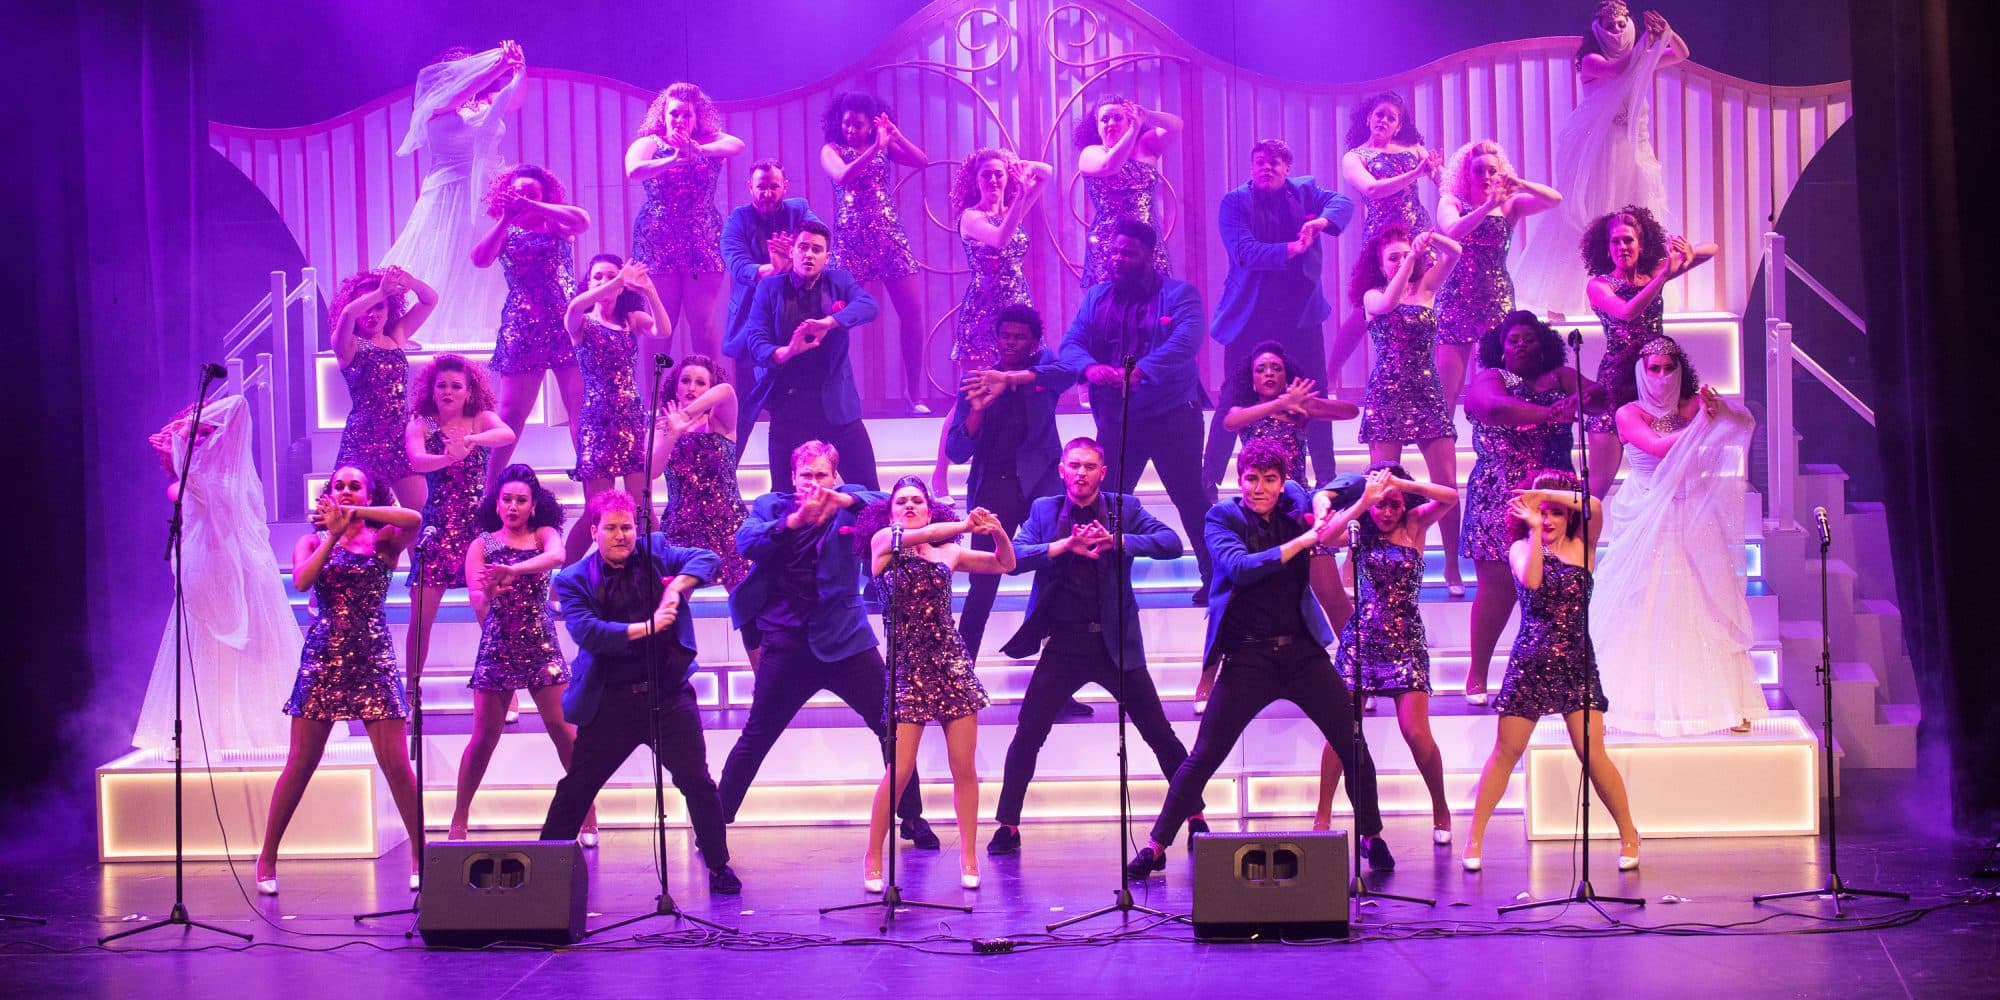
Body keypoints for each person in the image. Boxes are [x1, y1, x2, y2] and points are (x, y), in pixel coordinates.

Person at [1125, 440, 1394, 880]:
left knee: (1352, 742)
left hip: (1302, 653)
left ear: (1282, 482)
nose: (1259, 488)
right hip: (1249, 656)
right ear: (1240, 479)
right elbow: (1240, 567)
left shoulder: (1294, 503)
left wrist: (1325, 498)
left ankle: (1372, 834)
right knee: (1205, 754)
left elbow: (1353, 482)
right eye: (1251, 479)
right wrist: (1305, 540)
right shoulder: (1222, 517)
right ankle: (1156, 846)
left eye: (1269, 480)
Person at [987, 437, 1202, 855]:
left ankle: (1195, 816)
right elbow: (1013, 558)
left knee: (1160, 734)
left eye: (1089, 466)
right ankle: (1008, 826)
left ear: (1102, 473)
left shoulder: (1124, 508)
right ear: (1062, 470)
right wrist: (1063, 546)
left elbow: (1171, 543)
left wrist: (1118, 540)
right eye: (1074, 465)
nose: (1081, 473)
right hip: (1063, 644)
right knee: (1028, 734)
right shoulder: (1044, 510)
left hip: (1114, 644)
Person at [716, 442, 935, 846]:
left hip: (846, 640)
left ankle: (911, 816)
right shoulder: (771, 505)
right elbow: (746, 541)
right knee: (757, 735)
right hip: (788, 643)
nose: (814, 484)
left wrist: (846, 498)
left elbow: (886, 502)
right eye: (806, 476)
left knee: (891, 727)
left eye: (822, 475)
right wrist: (794, 522)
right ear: (793, 477)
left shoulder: (851, 506)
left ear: (835, 476)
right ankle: (714, 826)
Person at [537, 492, 740, 893]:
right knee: (577, 787)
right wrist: (647, 627)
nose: (620, 535)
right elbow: (588, 633)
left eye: (627, 527)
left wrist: (676, 588)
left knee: (697, 781)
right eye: (611, 528)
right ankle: (542, 871)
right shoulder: (573, 579)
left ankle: (719, 865)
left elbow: (708, 558)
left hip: (668, 695)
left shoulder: (657, 551)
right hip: (611, 700)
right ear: (594, 532)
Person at [254, 467, 424, 895]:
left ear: (368, 494)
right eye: (340, 486)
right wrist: (332, 536)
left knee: (397, 765)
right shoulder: (311, 541)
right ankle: (267, 857)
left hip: (373, 658)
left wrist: (357, 514)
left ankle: (421, 855)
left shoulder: (384, 539)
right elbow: (302, 581)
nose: (346, 491)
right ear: (328, 494)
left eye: (355, 486)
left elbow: (415, 519)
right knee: (300, 763)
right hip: (324, 659)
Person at [1463, 469, 1641, 872]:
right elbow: (1532, 581)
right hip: (1530, 661)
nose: (1547, 520)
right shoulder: (1520, 548)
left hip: (1576, 662)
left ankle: (1630, 834)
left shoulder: (1583, 545)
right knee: (1505, 752)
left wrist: (1542, 492)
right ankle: (1473, 838)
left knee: (1592, 754)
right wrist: (1531, 528)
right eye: (1541, 512)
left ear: (1568, 516)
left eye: (1555, 512)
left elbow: (1594, 505)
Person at [1592, 336, 1766, 736]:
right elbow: (1656, 448)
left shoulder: (1690, 406)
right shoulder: (1628, 413)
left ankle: (1726, 703)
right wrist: (1704, 421)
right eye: (1654, 368)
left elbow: (1743, 423)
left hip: (1693, 509)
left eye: (1669, 367)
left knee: (1707, 598)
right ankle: (1629, 705)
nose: (1662, 375)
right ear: (1641, 371)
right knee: (1639, 599)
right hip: (1647, 508)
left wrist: (1719, 408)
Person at [858, 477, 1013, 891]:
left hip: (950, 665)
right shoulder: (882, 544)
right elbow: (919, 536)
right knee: (899, 771)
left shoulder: (948, 552)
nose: (909, 506)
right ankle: (873, 854)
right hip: (907, 669)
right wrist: (965, 525)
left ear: (929, 509)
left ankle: (968, 855)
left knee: (963, 766)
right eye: (901, 502)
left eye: (917, 501)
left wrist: (997, 531)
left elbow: (1005, 564)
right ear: (890, 512)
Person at [1058, 218, 1214, 603]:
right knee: (1108, 501)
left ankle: (1215, 579)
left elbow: (1186, 341)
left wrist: (1140, 371)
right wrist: (1091, 369)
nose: (1117, 259)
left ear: (1149, 255)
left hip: (1173, 414)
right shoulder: (1096, 297)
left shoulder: (1179, 295)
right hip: (1118, 419)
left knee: (1189, 498)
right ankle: (1104, 583)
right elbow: (1071, 343)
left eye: (1127, 252)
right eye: (1114, 251)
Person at [132, 396, 298, 756]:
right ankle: (216, 734)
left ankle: (250, 730)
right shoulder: (186, 484)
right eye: (198, 436)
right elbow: (192, 489)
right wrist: (181, 443)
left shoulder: (233, 478)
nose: (204, 441)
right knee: (211, 658)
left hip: (245, 577)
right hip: (208, 577)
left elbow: (238, 406)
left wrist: (186, 428)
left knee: (249, 656)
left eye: (208, 433)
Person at [1310, 464, 1460, 843]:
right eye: (1382, 505)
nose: (1388, 512)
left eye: (1394, 504)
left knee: (1416, 733)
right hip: (1361, 642)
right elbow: (1324, 536)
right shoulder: (1359, 528)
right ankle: (1322, 815)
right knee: (1341, 733)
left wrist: (1399, 483)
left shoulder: (1416, 523)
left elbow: (1451, 496)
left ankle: (1440, 808)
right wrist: (1366, 500)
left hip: (1406, 642)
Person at [1511, 1, 1690, 315]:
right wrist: (1647, 42)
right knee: (1587, 217)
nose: (1617, 31)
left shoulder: (1641, 59)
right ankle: (1564, 300)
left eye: (1622, 24)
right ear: (1597, 29)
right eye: (1610, 26)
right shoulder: (1591, 61)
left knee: (1634, 217)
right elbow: (1618, 70)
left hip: (1632, 150)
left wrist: (1666, 33)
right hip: (1599, 152)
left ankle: (1634, 292)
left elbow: (1681, 54)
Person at [448, 465, 594, 842]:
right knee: (483, 739)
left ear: (533, 506)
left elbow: (557, 557)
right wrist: (489, 591)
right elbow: (477, 598)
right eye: (507, 499)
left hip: (539, 642)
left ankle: (587, 811)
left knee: (564, 731)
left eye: (521, 500)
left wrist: (514, 570)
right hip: (498, 644)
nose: (513, 506)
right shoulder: (481, 545)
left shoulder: (543, 534)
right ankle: (459, 818)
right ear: (496, 505)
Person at [1200, 139, 1356, 491]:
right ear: (1251, 166)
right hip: (1251, 315)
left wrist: (1321, 222)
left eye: (1274, 163)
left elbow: (1342, 202)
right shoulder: (1235, 202)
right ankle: (1208, 480)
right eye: (1259, 162)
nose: (1266, 168)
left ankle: (1326, 478)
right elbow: (1245, 252)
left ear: (1287, 168)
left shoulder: (1305, 191)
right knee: (1232, 397)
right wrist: (1293, 248)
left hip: (1300, 316)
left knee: (1315, 393)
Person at [1460, 312, 1594, 706]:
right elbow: (1493, 408)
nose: (1520, 345)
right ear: (1501, 347)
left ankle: (1556, 676)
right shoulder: (1491, 378)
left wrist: (1585, 397)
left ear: (1543, 344)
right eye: (1513, 340)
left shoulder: (1560, 376)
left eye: (1529, 339)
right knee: (1498, 588)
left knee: (1557, 586)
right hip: (1501, 494)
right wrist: (1551, 413)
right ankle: (1477, 672)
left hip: (1555, 495)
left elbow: (1598, 396)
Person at [944, 303, 1072, 662]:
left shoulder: (1042, 376)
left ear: (1034, 343)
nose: (1010, 342)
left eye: (1019, 337)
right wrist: (977, 410)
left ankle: (1056, 670)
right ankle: (962, 671)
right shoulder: (976, 382)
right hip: (993, 490)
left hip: (1041, 489)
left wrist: (1013, 379)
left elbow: (1070, 372)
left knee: (1057, 577)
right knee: (981, 587)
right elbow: (956, 451)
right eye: (1004, 336)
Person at [378, 42, 523, 347]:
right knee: (444, 258)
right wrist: (497, 66)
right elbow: (460, 91)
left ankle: (493, 333)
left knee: (487, 264)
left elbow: (515, 98)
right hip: (448, 195)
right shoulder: (435, 105)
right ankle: (416, 331)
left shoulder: (485, 103)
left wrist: (519, 68)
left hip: (487, 194)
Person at [931, 148, 1054, 499]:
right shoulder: (971, 217)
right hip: (983, 314)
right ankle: (940, 473)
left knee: (1024, 390)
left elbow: (1046, 172)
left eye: (999, 173)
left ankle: (1021, 470)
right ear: (975, 180)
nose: (994, 180)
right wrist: (1019, 195)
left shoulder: (1014, 207)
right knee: (969, 396)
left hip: (1017, 308)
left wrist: (1018, 167)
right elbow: (1000, 240)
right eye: (986, 174)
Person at [1353, 225, 1466, 594]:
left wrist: (1431, 238)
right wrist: (1412, 257)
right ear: (1379, 264)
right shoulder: (1373, 295)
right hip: (1387, 395)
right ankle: (1382, 565)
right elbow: (1388, 304)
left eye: (1405, 255)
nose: (1402, 261)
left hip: (1426, 392)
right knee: (1382, 484)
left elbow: (1455, 253)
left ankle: (1452, 566)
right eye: (1393, 257)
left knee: (1446, 483)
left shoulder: (1426, 289)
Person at [1578, 205, 1715, 495]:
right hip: (1617, 381)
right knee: (1599, 481)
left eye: (1628, 240)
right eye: (1615, 241)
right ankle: (1582, 525)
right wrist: (1662, 276)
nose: (1622, 247)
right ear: (1607, 249)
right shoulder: (1599, 285)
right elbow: (1627, 312)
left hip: (1656, 378)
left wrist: (1685, 252)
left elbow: (1711, 249)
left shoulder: (1653, 274)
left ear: (1641, 245)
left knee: (1662, 468)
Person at [469, 163, 589, 487]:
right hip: (522, 325)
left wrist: (535, 205)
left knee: (579, 409)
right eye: (517, 193)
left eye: (531, 193)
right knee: (511, 413)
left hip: (566, 323)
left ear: (544, 195)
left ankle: (593, 490)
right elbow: (479, 259)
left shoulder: (555, 223)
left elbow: (582, 221)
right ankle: (489, 492)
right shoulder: (505, 230)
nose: (522, 198)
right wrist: (506, 218)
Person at [740, 219, 882, 494]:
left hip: (838, 408)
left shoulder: (839, 281)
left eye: (817, 249)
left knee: (869, 495)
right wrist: (788, 350)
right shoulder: (770, 289)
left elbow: (869, 306)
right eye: (803, 247)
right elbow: (756, 342)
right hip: (789, 409)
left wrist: (829, 322)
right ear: (792, 251)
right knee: (785, 499)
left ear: (826, 257)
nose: (809, 254)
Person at [402, 354, 515, 689]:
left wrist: (471, 441)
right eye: (442, 386)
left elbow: (507, 434)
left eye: (456, 386)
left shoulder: (480, 418)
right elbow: (416, 460)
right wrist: (447, 457)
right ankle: (411, 691)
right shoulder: (422, 422)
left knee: (488, 610)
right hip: (437, 529)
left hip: (476, 530)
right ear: (432, 389)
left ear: (469, 391)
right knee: (421, 619)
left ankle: (503, 688)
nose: (448, 391)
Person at [1433, 139, 1561, 421]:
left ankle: (1499, 443)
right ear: (1466, 174)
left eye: (1492, 170)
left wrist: (1520, 184)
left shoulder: (1510, 206)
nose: (1486, 176)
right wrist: (1486, 206)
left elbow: (1555, 199)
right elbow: (1452, 231)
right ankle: (1444, 444)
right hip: (1456, 299)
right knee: (1446, 392)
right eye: (1478, 170)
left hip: (1496, 299)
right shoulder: (1452, 201)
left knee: (1501, 384)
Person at [820, 93, 932, 412]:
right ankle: (830, 391)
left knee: (912, 314)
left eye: (858, 125)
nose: (850, 129)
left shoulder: (883, 145)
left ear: (871, 125)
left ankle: (914, 393)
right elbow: (843, 176)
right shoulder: (831, 149)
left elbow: (922, 161)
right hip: (851, 240)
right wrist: (875, 148)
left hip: (888, 237)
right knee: (835, 315)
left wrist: (895, 136)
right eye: (846, 123)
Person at [1329, 91, 1440, 390]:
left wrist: (1446, 179)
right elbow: (1373, 190)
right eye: (1380, 114)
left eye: (1391, 118)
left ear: (1398, 125)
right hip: (1382, 238)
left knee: (1422, 301)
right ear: (1369, 117)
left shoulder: (1414, 149)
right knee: (1367, 307)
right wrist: (1415, 173)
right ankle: (1331, 374)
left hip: (1418, 233)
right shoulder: (1355, 156)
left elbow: (1442, 181)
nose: (1384, 120)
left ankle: (1422, 379)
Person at [626, 82, 744, 362]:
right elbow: (634, 170)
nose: (679, 120)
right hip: (658, 240)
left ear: (697, 117)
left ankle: (709, 385)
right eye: (674, 114)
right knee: (661, 324)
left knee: (702, 321)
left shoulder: (707, 142)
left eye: (687, 115)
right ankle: (656, 390)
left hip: (702, 237)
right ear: (663, 115)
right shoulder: (650, 142)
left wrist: (698, 151)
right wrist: (675, 160)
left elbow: (737, 145)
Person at [562, 255, 669, 562]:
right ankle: (562, 580)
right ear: (588, 283)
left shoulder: (631, 320)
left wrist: (648, 289)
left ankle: (659, 575)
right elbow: (573, 307)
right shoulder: (581, 323)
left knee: (642, 508)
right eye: (598, 276)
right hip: (596, 423)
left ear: (623, 288)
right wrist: (619, 279)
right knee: (595, 511)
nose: (605, 282)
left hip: (630, 419)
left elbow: (663, 330)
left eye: (611, 276)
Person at [650, 354, 754, 667]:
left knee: (750, 614)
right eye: (685, 380)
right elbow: (653, 470)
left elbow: (727, 391)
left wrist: (689, 413)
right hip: (682, 531)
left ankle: (767, 684)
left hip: (729, 528)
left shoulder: (720, 421)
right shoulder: (661, 425)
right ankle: (671, 682)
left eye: (700, 382)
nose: (691, 387)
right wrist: (674, 431)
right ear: (675, 385)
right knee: (670, 613)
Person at [720, 160, 821, 443]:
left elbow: (820, 242)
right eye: (761, 187)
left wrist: (796, 258)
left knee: (796, 410)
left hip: (795, 324)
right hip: (752, 327)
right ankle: (729, 467)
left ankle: (801, 467)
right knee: (744, 409)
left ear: (785, 187)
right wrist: (775, 267)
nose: (767, 193)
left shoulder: (799, 210)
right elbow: (739, 267)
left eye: (773, 187)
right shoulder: (738, 219)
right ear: (750, 187)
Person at [329, 266, 437, 509]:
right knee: (353, 517)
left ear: (389, 309)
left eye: (379, 307)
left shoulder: (395, 336)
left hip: (400, 438)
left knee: (418, 515)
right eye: (366, 307)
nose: (372, 314)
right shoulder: (348, 344)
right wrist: (380, 292)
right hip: (363, 440)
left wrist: (410, 283)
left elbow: (430, 299)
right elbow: (347, 314)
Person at [1214, 341, 1358, 486]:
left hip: (1295, 493)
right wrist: (1281, 403)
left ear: (1286, 376)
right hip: (1258, 492)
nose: (1269, 373)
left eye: (1277, 369)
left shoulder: (1298, 410)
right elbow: (1229, 423)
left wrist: (1312, 402)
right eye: (1260, 370)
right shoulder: (1242, 411)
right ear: (1251, 380)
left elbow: (1352, 412)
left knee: (1353, 481)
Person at [1075, 94, 1181, 285]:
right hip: (1109, 241)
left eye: (1117, 117)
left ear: (1129, 119)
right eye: (1104, 119)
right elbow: (1110, 165)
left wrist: (1146, 115)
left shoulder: (1145, 147)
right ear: (1097, 126)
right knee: (1110, 297)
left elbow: (1176, 126)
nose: (1111, 123)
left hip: (1146, 237)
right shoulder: (1090, 153)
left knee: (1154, 293)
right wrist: (1133, 130)